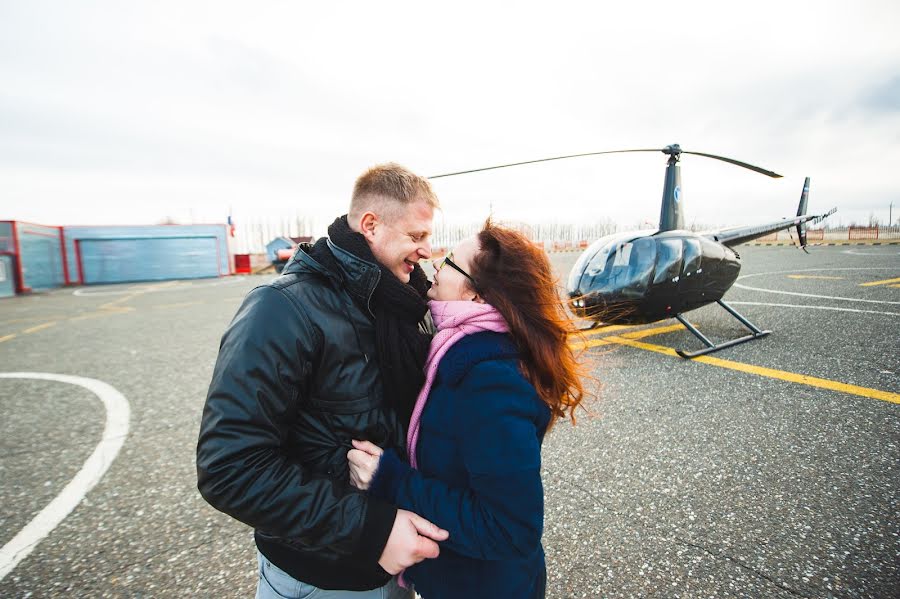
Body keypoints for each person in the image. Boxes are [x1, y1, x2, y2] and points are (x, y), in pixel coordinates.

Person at [197, 163, 450, 598]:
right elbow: (229, 467)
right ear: (370, 225)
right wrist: (372, 530)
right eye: (416, 236)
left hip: (397, 563)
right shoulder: (283, 309)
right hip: (321, 576)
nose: (427, 250)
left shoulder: (404, 303)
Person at [348, 220, 587, 599]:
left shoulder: (490, 380)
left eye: (448, 264)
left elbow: (510, 529)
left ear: (476, 298)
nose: (435, 271)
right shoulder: (458, 351)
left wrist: (390, 480)